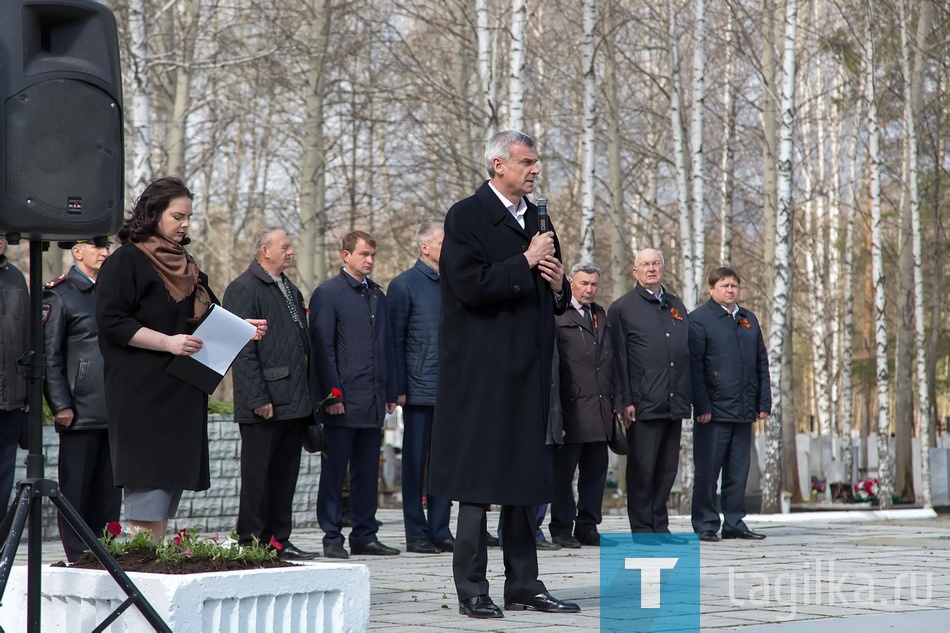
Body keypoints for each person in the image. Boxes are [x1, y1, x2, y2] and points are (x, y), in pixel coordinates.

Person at [429, 130, 579, 619]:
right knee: (477, 482)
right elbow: (469, 286)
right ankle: (472, 587)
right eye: (527, 162)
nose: (535, 170)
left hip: (529, 370)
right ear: (498, 165)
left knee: (524, 480)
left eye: (536, 162)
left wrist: (559, 286)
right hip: (481, 373)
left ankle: (524, 584)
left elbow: (552, 289)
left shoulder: (538, 215)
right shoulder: (466, 216)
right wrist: (525, 260)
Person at [96, 176, 265, 542]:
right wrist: (168, 343)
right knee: (147, 487)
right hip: (142, 395)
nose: (185, 224)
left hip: (181, 391)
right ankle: (144, 567)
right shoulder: (126, 261)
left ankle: (155, 560)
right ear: (154, 214)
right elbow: (112, 322)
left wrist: (241, 327)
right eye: (177, 216)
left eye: (189, 216)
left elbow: (208, 318)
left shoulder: (188, 265)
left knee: (167, 490)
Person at [224, 228, 317, 560]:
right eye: (285, 247)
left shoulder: (289, 288)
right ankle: (251, 540)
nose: (291, 252)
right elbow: (241, 350)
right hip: (265, 403)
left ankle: (279, 538)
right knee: (257, 475)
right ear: (265, 250)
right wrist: (258, 398)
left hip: (293, 400)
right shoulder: (243, 288)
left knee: (284, 475)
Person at [309, 230, 400, 559]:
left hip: (373, 401)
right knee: (335, 473)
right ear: (345, 255)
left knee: (367, 472)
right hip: (342, 403)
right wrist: (332, 396)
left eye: (372, 255)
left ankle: (365, 534)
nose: (370, 261)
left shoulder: (377, 295)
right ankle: (332, 536)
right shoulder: (328, 294)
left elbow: (387, 347)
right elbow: (323, 349)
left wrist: (391, 391)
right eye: (363, 254)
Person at [42, 237, 120, 562]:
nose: (105, 252)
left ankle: (106, 551)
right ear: (77, 252)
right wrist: (60, 404)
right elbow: (50, 357)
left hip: (115, 409)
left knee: (108, 492)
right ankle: (77, 554)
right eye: (98, 246)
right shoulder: (60, 295)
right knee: (76, 491)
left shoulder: (115, 294)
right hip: (79, 411)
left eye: (107, 246)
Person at [607, 248, 691, 534]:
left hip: (674, 400)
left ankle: (659, 523)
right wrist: (625, 401)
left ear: (664, 269)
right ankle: (642, 526)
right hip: (643, 402)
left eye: (656, 263)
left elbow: (684, 352)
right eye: (645, 264)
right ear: (635, 272)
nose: (651, 268)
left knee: (667, 469)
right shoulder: (622, 308)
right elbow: (618, 359)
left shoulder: (675, 304)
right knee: (642, 468)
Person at [689, 267, 771, 542]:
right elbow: (695, 367)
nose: (730, 290)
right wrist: (701, 406)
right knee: (708, 472)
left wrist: (763, 402)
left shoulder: (748, 319)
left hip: (744, 408)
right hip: (713, 412)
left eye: (734, 285)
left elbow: (761, 361)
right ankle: (706, 523)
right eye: (724, 285)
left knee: (738, 472)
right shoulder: (699, 320)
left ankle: (734, 521)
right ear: (711, 289)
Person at [387, 221, 454, 555]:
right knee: (414, 464)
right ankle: (416, 532)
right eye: (444, 242)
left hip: (452, 390)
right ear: (424, 247)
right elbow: (394, 339)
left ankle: (441, 529)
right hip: (418, 388)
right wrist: (398, 386)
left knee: (446, 463)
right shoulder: (404, 285)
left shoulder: (455, 284)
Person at [549, 262, 614, 549]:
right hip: (571, 409)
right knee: (564, 475)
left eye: (594, 284)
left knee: (596, 472)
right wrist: (556, 414)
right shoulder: (558, 314)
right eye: (584, 283)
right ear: (571, 282)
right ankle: (561, 527)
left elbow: (612, 362)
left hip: (600, 407)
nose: (589, 289)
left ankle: (587, 525)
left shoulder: (600, 314)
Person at [0, 235, 28, 512]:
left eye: (2, 237)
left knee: (4, 480)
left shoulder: (15, 278)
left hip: (10, 400)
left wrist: (28, 391)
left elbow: (28, 337)